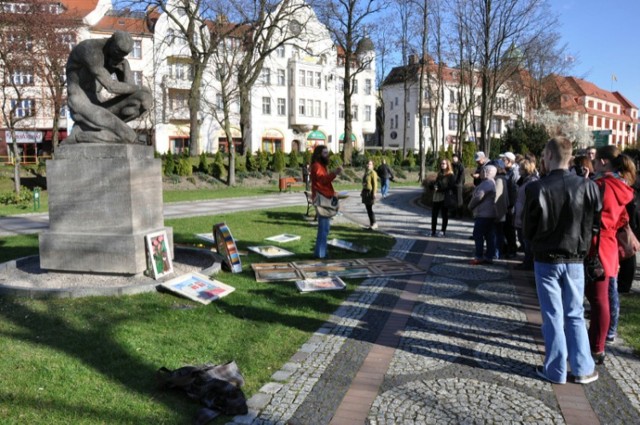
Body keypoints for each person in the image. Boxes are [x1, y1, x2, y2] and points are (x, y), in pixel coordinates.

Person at [524, 136, 600, 385]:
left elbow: (527, 229)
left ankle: (555, 369)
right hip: (575, 257)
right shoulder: (588, 186)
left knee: (553, 315)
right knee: (574, 313)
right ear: (569, 157)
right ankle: (582, 368)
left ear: (547, 156)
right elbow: (594, 223)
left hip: (546, 258)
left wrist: (534, 247)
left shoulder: (536, 188)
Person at [586, 146, 635, 361]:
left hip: (593, 244)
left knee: (596, 299)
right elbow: (623, 219)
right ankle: (598, 344)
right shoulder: (621, 187)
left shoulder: (600, 185)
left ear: (604, 162)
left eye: (595, 161)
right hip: (609, 245)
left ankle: (595, 345)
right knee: (601, 299)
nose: (593, 164)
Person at [64, 31, 152, 144]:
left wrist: (124, 65)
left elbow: (130, 90)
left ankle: (89, 135)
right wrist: (140, 87)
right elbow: (111, 87)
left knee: (143, 98)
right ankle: (126, 137)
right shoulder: (89, 49)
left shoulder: (116, 58)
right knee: (123, 133)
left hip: (98, 103)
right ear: (111, 42)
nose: (119, 56)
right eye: (117, 52)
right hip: (79, 101)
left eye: (123, 55)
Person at [310, 145, 343, 259]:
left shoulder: (320, 166)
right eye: (324, 153)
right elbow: (323, 181)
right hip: (322, 199)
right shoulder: (317, 166)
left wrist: (332, 193)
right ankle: (320, 254)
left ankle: (320, 253)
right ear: (319, 154)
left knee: (325, 228)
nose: (327, 155)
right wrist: (335, 173)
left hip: (322, 198)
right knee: (324, 229)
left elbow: (323, 183)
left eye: (327, 153)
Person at [469, 164, 497, 265]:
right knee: (489, 236)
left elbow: (478, 196)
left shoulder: (487, 183)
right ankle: (489, 256)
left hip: (483, 214)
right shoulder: (491, 182)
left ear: (486, 172)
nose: (480, 173)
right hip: (490, 214)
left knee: (478, 235)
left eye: (482, 171)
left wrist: (470, 205)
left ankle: (479, 256)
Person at [513, 159, 538, 270]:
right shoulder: (525, 180)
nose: (518, 170)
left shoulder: (531, 181)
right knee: (522, 238)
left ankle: (528, 263)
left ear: (525, 169)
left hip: (525, 214)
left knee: (526, 240)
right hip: (520, 212)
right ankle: (526, 261)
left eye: (520, 169)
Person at [430, 159, 456, 237]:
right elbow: (437, 183)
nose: (442, 165)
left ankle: (443, 231)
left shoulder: (451, 175)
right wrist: (433, 186)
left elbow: (451, 187)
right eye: (441, 163)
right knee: (434, 214)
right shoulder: (440, 174)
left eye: (444, 163)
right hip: (436, 196)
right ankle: (433, 231)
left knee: (444, 215)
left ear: (448, 165)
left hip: (445, 197)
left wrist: (440, 189)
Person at [502, 152, 520, 257]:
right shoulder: (509, 171)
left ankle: (512, 249)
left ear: (509, 161)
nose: (503, 162)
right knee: (507, 227)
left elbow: (515, 190)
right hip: (507, 203)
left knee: (510, 228)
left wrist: (511, 204)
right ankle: (508, 247)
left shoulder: (515, 172)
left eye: (504, 160)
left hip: (511, 205)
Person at [492, 160, 509, 259]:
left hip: (498, 212)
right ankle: (498, 251)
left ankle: (496, 252)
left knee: (496, 233)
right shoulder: (503, 178)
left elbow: (496, 198)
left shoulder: (499, 180)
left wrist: (495, 212)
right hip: (502, 211)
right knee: (499, 232)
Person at [361, 160, 378, 229]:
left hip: (370, 192)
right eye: (368, 164)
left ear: (372, 165)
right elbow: (364, 183)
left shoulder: (373, 173)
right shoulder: (366, 173)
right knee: (368, 208)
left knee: (369, 208)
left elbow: (375, 184)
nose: (368, 165)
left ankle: (374, 223)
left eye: (370, 164)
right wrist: (362, 192)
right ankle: (371, 224)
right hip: (365, 192)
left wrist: (374, 193)